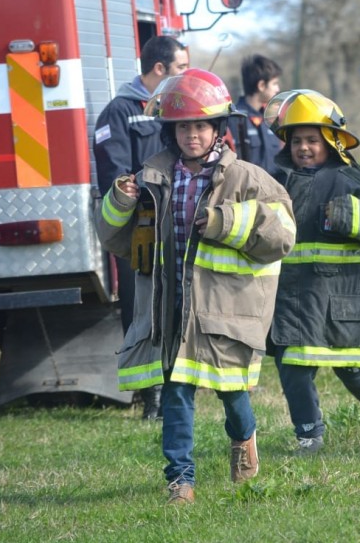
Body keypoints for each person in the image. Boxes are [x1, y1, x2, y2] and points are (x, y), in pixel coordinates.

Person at [96, 69, 296, 504]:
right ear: (170, 131)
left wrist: (225, 221)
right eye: (183, 127)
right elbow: (113, 239)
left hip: (224, 312)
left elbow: (283, 234)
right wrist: (121, 201)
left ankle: (244, 440)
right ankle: (180, 480)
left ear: (218, 128)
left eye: (201, 126)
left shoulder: (248, 178)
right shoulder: (149, 178)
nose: (192, 135)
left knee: (232, 393)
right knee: (177, 392)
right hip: (171, 308)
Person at [265, 89, 360, 454]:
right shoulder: (277, 183)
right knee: (292, 367)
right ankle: (309, 435)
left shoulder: (352, 180)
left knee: (354, 368)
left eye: (312, 140)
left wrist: (350, 215)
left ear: (332, 141)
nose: (304, 148)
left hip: (342, 300)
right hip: (294, 300)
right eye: (297, 140)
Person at [93, 35, 189, 419]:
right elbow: (114, 176)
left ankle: (177, 385)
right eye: (181, 67)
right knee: (141, 310)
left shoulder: (176, 108)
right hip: (141, 230)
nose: (187, 74)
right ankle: (151, 397)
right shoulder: (118, 112)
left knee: (177, 303)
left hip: (177, 224)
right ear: (159, 69)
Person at [229, 54, 283, 175]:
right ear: (261, 85)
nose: (278, 89)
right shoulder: (233, 119)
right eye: (274, 83)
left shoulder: (272, 119)